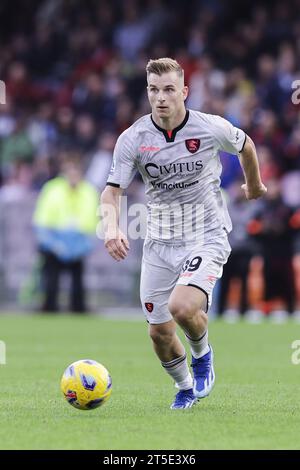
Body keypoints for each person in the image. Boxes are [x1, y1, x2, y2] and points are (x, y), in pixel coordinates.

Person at [101, 58, 267, 409]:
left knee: (182, 306)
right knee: (159, 334)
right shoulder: (133, 138)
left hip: (206, 233)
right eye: (154, 90)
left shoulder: (208, 128)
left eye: (169, 90)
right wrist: (112, 227)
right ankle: (185, 386)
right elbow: (112, 190)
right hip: (159, 242)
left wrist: (254, 185)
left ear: (184, 92)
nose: (161, 98)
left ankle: (202, 355)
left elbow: (246, 145)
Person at [33, 152, 99, 313]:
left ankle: (78, 309)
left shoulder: (89, 191)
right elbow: (42, 221)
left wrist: (83, 245)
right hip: (54, 241)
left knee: (78, 283)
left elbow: (96, 221)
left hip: (78, 242)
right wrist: (53, 244)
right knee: (51, 281)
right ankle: (49, 308)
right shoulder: (52, 189)